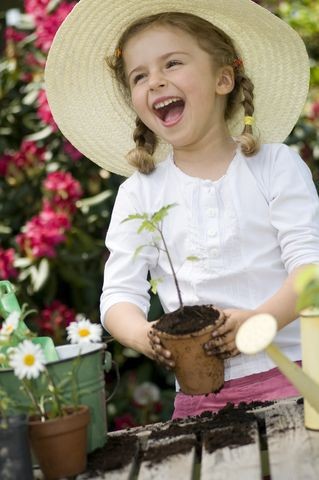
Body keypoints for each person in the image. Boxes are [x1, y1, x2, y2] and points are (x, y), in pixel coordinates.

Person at [45, 0, 319, 419]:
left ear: (223, 78)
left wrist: (260, 320)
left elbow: (310, 268)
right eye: (139, 76)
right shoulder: (141, 194)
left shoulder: (274, 166)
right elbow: (118, 297)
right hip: (199, 398)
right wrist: (146, 335)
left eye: (172, 63)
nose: (155, 81)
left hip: (297, 378)